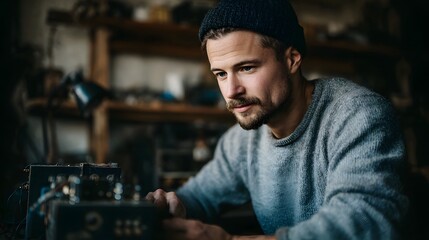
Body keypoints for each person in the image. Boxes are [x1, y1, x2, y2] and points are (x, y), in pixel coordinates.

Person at [145, 0, 409, 239]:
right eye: (221, 74)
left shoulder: (358, 116)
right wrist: (170, 203)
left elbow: (365, 222)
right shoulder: (241, 141)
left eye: (246, 68)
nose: (231, 90)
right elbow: (199, 197)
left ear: (292, 59)